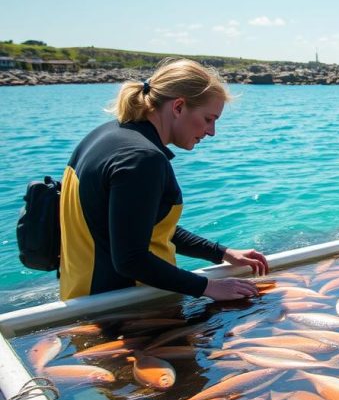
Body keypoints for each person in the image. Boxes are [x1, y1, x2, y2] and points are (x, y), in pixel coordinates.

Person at [58, 58, 269, 301]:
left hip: (81, 298)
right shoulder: (142, 159)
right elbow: (131, 260)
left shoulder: (102, 136)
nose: (211, 132)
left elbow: (141, 225)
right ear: (178, 107)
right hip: (124, 310)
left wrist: (222, 252)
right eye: (209, 119)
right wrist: (208, 287)